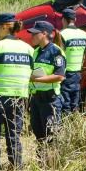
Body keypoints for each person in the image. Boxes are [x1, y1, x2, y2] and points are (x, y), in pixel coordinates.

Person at [0, 12, 34, 169]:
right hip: (19, 96)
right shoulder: (27, 48)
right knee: (13, 133)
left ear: (4, 27)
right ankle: (16, 165)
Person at [28, 21, 66, 160]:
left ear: (44, 34)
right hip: (36, 98)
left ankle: (54, 162)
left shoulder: (56, 51)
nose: (31, 36)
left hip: (50, 99)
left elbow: (59, 75)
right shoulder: (36, 51)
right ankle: (41, 161)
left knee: (52, 133)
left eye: (34, 33)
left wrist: (36, 79)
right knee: (38, 132)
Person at [58, 8, 86, 116]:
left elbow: (59, 55)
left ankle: (66, 126)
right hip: (78, 73)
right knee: (75, 102)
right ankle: (75, 125)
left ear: (64, 20)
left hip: (65, 73)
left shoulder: (62, 34)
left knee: (65, 103)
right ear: (75, 19)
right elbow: (84, 55)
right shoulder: (84, 35)